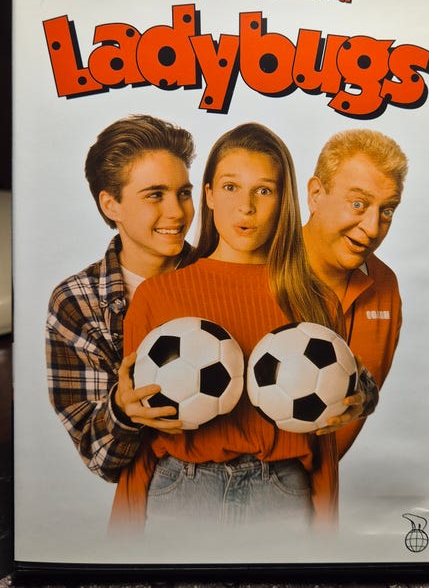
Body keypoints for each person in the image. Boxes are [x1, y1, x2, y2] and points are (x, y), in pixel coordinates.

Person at [110, 122, 378, 535]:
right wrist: (121, 538)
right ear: (209, 195)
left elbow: (323, 442)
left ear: (283, 200)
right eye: (231, 187)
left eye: (264, 190)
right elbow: (143, 431)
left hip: (282, 490)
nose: (246, 207)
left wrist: (326, 537)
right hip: (181, 489)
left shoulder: (316, 300)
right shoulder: (157, 296)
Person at [46, 114, 196, 482]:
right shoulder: (77, 303)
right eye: (155, 195)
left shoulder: (222, 274)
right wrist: (122, 411)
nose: (177, 212)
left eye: (183, 193)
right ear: (111, 204)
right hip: (157, 493)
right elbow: (101, 460)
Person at [302, 128, 408, 458]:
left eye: (387, 210)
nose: (373, 228)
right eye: (358, 203)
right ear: (316, 195)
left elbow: (358, 405)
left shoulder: (385, 284)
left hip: (322, 485)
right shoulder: (256, 263)